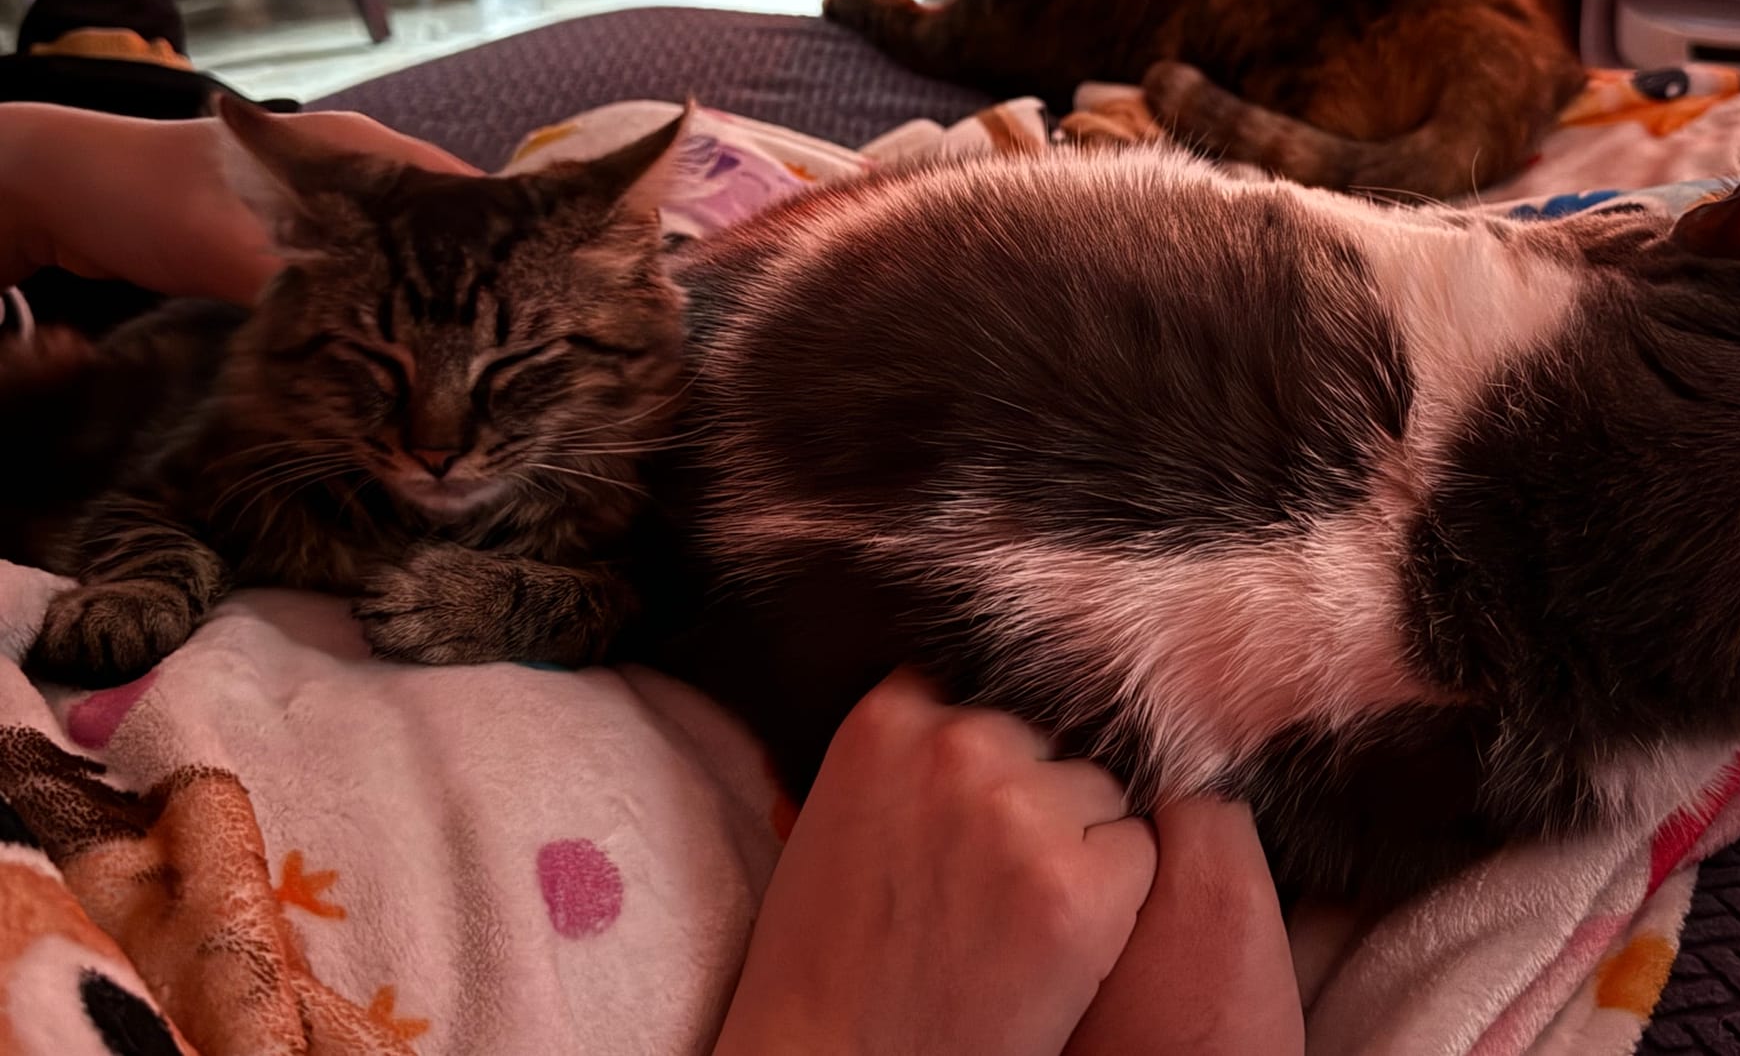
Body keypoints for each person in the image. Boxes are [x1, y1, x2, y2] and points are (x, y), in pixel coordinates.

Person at [0, 102, 1306, 1055]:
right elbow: (160, 498)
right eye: (390, 379)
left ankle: (111, 47)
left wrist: (47, 170)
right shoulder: (272, 437)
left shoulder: (646, 446)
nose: (440, 440)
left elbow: (644, 584)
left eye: (511, 380)